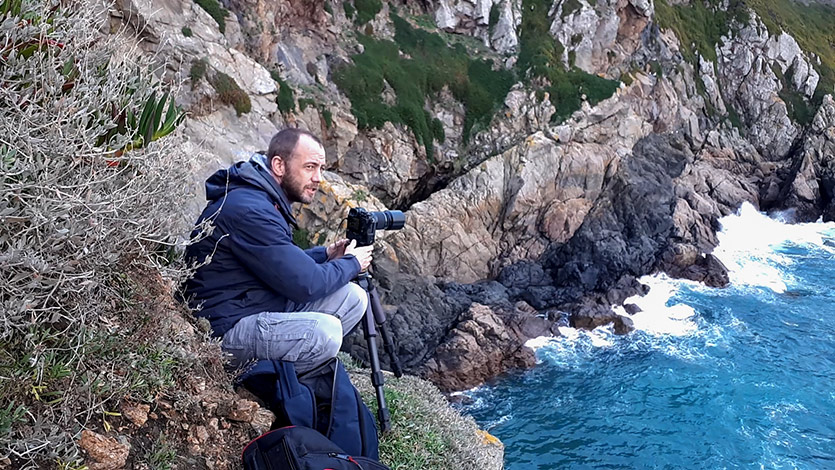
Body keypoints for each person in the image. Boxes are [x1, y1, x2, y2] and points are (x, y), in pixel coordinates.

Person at [183, 128, 373, 372]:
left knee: (354, 297)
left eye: (321, 169)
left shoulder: (261, 199)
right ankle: (270, 385)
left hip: (250, 304)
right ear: (279, 166)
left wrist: (325, 255)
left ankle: (293, 377)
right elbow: (307, 284)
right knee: (325, 333)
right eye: (310, 167)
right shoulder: (252, 211)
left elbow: (275, 262)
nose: (318, 178)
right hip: (221, 329)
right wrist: (353, 263)